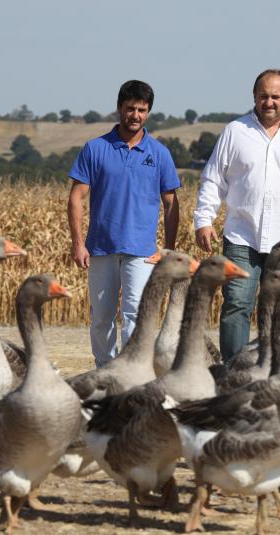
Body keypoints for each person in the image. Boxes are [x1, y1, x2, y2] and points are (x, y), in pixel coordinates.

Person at [193, 68, 280, 361]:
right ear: (254, 96)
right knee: (236, 305)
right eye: (263, 96)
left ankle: (274, 369)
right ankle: (232, 372)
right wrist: (204, 219)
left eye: (276, 97)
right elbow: (213, 179)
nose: (269, 102)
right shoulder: (235, 132)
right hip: (242, 235)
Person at [68, 80, 180, 368]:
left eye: (142, 110)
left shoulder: (160, 154)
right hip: (100, 249)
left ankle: (132, 372)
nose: (136, 116)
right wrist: (79, 244)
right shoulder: (94, 149)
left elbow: (171, 203)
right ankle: (104, 371)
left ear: (148, 112)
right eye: (130, 108)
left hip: (142, 252)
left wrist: (168, 250)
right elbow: (76, 198)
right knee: (101, 319)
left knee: (135, 316)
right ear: (119, 108)